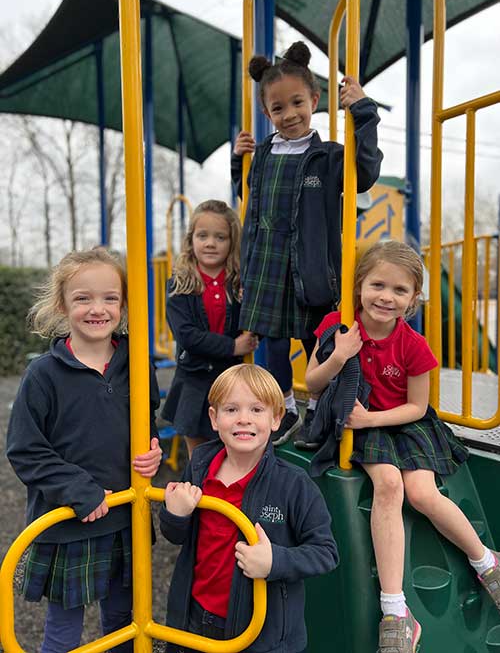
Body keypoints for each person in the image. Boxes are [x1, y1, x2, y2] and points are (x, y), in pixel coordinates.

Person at [305, 240, 500, 653]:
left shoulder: (413, 345)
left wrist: (371, 419)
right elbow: (312, 383)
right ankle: (396, 610)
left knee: (423, 493)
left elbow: (416, 407)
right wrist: (338, 357)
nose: (386, 297)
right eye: (378, 285)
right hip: (362, 423)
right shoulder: (337, 325)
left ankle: (486, 561)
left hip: (399, 422)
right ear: (359, 286)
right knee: (389, 485)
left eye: (399, 290)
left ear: (413, 299)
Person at [6, 247, 162, 653]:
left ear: (124, 303)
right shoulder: (43, 374)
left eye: (110, 298)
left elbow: (149, 420)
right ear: (62, 304)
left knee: (123, 623)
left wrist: (154, 449)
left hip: (127, 515)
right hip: (69, 520)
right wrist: (79, 489)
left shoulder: (136, 362)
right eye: (83, 298)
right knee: (63, 633)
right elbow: (25, 449)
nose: (98, 309)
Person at [231, 40, 383, 446]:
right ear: (267, 112)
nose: (289, 114)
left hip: (310, 268)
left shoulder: (329, 156)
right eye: (278, 108)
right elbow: (252, 203)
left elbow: (365, 173)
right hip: (266, 264)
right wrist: (238, 162)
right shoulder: (261, 156)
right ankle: (285, 407)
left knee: (319, 340)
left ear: (315, 99)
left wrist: (362, 110)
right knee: (272, 344)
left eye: (297, 102)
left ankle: (318, 408)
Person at [159, 363, 338, 653]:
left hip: (260, 630)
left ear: (276, 418)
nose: (244, 419)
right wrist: (176, 515)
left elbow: (326, 553)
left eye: (257, 410)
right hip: (194, 616)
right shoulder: (201, 464)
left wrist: (274, 562)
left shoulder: (293, 484)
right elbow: (178, 535)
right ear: (214, 419)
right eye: (231, 410)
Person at [161, 200, 258, 458]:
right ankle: (198, 495)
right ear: (191, 239)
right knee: (199, 454)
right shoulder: (180, 284)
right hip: (194, 379)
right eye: (202, 236)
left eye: (220, 237)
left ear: (232, 242)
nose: (210, 243)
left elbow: (250, 322)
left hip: (230, 380)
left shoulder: (239, 284)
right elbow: (186, 335)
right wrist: (233, 346)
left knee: (232, 450)